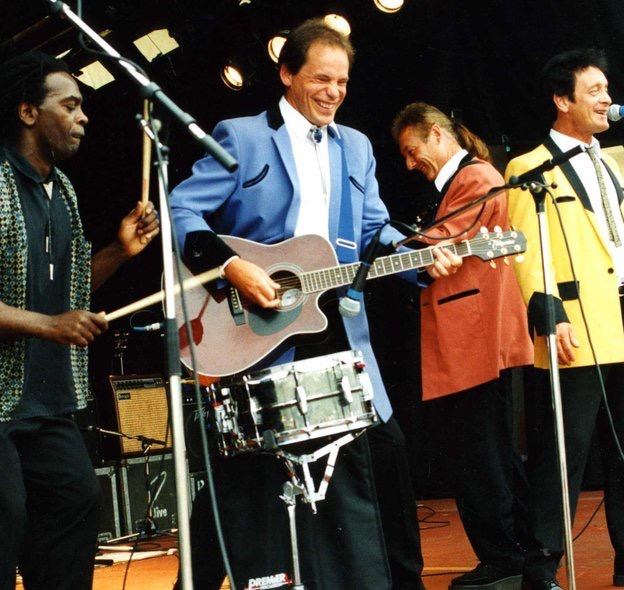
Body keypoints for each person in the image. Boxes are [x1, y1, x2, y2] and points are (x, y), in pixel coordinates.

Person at [169, 18, 459, 590]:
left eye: (342, 83)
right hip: (255, 327)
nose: (333, 93)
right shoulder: (242, 135)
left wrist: (419, 255)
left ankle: (403, 582)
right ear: (286, 74)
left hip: (338, 327)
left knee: (384, 451)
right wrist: (234, 267)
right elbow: (183, 211)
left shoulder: (356, 146)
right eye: (320, 79)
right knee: (246, 470)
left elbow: (375, 229)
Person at [504, 48, 624, 590]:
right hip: (573, 327)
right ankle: (541, 567)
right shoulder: (527, 167)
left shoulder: (608, 162)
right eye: (595, 90)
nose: (608, 99)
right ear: (562, 100)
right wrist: (548, 314)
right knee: (565, 453)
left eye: (607, 89)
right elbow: (524, 252)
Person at [0, 51, 160, 590]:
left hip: (45, 402)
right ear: (27, 112)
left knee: (76, 497)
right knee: (6, 515)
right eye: (69, 105)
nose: (83, 116)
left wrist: (119, 249)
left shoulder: (63, 192)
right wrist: (49, 326)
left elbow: (70, 293)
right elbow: (55, 317)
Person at [391, 103, 534, 589]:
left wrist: (392, 245)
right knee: (488, 448)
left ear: (435, 134)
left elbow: (444, 238)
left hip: (469, 332)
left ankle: (503, 558)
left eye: (412, 151)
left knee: (475, 452)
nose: (409, 163)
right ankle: (512, 552)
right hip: (469, 331)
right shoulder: (463, 180)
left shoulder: (475, 178)